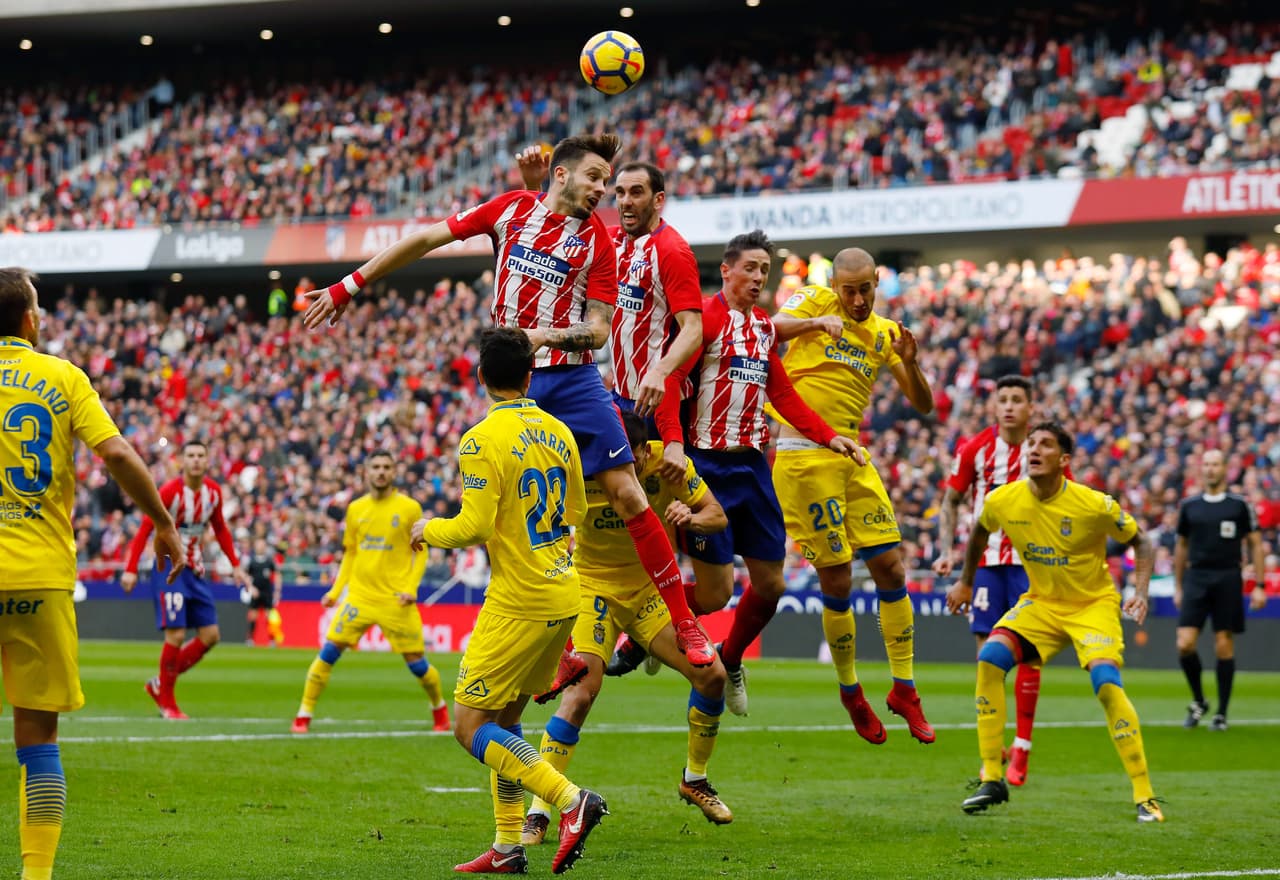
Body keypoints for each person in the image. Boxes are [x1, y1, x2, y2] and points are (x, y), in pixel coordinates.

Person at [306, 134, 713, 675]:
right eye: (594, 178)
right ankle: (560, 652)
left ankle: (684, 621)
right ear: (561, 175)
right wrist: (348, 286)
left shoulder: (600, 243)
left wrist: (545, 337)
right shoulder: (511, 211)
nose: (603, 192)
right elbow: (427, 238)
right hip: (513, 387)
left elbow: (597, 332)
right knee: (514, 518)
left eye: (607, 182)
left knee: (629, 496)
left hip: (573, 382)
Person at [0, 266, 186, 880]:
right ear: (32, 320)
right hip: (39, 574)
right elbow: (117, 454)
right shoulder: (62, 377)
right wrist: (161, 521)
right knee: (39, 740)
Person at [409, 327, 606, 875]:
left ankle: (570, 800)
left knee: (470, 725)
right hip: (563, 590)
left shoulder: (479, 439)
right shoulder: (560, 431)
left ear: (480, 376)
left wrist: (428, 528)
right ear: (529, 376)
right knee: (507, 717)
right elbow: (576, 513)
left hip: (518, 598)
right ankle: (506, 845)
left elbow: (472, 527)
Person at [516, 150, 716, 675]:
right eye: (618, 192)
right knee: (594, 507)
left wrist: (661, 372)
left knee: (715, 584)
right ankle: (629, 630)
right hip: (617, 400)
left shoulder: (671, 251)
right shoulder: (614, 244)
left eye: (634, 193)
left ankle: (679, 629)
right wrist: (537, 185)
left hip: (660, 406)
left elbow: (691, 330)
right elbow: (558, 219)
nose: (622, 201)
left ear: (659, 200)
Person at [655, 229, 863, 718]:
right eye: (749, 268)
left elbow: (784, 395)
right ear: (726, 271)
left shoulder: (764, 328)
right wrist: (674, 444)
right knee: (715, 592)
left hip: (752, 466)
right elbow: (668, 380)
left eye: (764, 270)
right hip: (706, 466)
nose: (757, 277)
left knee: (771, 586)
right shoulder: (700, 321)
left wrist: (829, 435)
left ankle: (729, 658)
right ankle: (642, 630)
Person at [522, 410, 732, 848]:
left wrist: (690, 518)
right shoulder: (580, 465)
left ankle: (695, 779)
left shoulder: (668, 464)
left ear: (644, 449)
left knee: (712, 676)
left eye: (635, 456)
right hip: (592, 589)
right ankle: (540, 811)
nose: (629, 466)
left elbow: (716, 514)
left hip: (649, 591)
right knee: (581, 693)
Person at [946, 422, 1164, 824]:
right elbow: (979, 533)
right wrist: (964, 581)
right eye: (1031, 443)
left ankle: (1144, 795)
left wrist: (1141, 591)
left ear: (1063, 460)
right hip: (1042, 604)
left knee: (1105, 686)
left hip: (1092, 605)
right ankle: (992, 777)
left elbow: (1142, 541)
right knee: (990, 658)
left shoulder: (1093, 504)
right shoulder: (1003, 500)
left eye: (1045, 444)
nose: (1034, 449)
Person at [768, 246, 936, 744]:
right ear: (837, 286)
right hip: (803, 452)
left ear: (877, 282)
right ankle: (850, 690)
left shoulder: (885, 334)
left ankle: (904, 688)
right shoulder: (814, 300)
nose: (858, 299)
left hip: (851, 455)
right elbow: (768, 329)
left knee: (892, 567)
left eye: (866, 289)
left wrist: (912, 363)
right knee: (838, 579)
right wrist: (817, 323)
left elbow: (922, 404)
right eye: (850, 290)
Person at [290, 451, 449, 734]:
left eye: (387, 467)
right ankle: (304, 714)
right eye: (375, 467)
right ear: (366, 471)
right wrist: (336, 591)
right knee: (328, 653)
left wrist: (411, 589)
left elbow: (421, 552)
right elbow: (350, 553)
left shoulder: (409, 508)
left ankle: (438, 707)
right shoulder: (355, 509)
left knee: (417, 666)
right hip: (359, 598)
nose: (381, 472)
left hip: (395, 600)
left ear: (394, 471)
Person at [937, 375, 1043, 779]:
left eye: (1018, 399)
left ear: (1030, 408)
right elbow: (951, 501)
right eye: (1004, 400)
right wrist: (948, 551)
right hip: (985, 566)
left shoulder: (1042, 449)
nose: (1011, 406)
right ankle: (993, 746)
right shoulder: (976, 449)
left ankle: (1023, 750)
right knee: (988, 660)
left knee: (1030, 654)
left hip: (1032, 564)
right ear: (995, 407)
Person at [121, 440, 253, 720]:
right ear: (182, 461)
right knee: (177, 634)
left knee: (211, 636)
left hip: (195, 569)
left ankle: (160, 683)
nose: (195, 460)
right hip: (168, 569)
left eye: (200, 456)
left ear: (207, 461)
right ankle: (168, 704)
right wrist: (130, 568)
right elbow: (145, 528)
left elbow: (220, 529)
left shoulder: (213, 493)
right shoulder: (170, 492)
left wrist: (236, 565)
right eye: (190, 455)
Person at [1173, 449, 1268, 731]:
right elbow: (1181, 547)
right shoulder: (1189, 506)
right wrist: (1179, 585)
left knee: (1224, 644)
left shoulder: (1239, 505)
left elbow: (1254, 543)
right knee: (1184, 643)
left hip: (1227, 577)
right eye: (1207, 464)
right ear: (1201, 469)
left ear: (1226, 468)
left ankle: (1222, 713)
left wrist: (1260, 585)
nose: (1211, 469)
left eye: (1216, 464)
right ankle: (1200, 700)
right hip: (1196, 578)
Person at [244, 536, 283, 647]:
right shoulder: (251, 562)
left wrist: (277, 590)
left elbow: (277, 575)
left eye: (262, 545)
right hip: (255, 592)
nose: (260, 547)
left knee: (269, 616)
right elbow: (246, 576)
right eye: (258, 544)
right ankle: (250, 639)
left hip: (267, 592)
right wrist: (251, 588)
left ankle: (272, 640)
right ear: (255, 546)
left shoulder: (269, 561)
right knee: (253, 615)